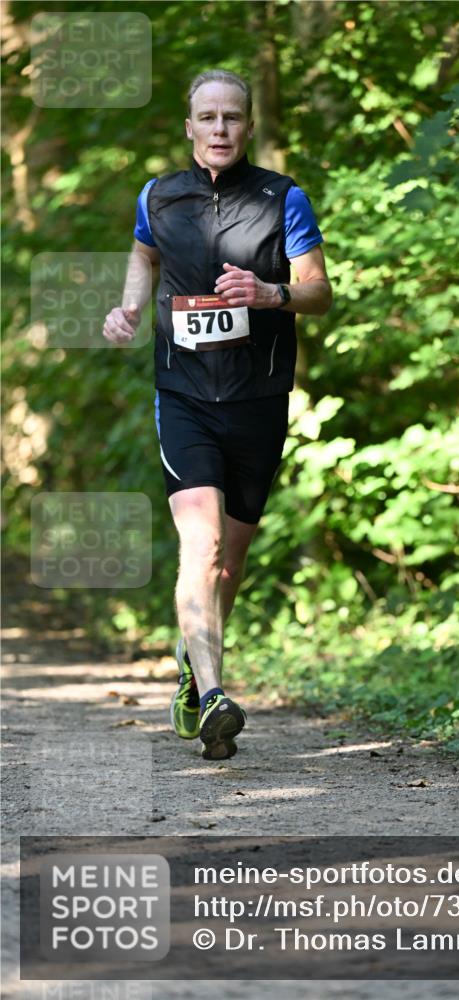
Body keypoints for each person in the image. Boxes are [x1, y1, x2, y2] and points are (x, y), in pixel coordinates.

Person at [103, 69, 332, 761]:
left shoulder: (281, 197)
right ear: (189, 127)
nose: (221, 129)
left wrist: (269, 293)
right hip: (184, 394)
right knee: (198, 547)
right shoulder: (158, 195)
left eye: (232, 117)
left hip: (258, 399)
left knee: (228, 564)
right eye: (208, 117)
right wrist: (132, 307)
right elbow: (144, 255)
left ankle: (190, 670)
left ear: (249, 125)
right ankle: (213, 695)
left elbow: (319, 292)